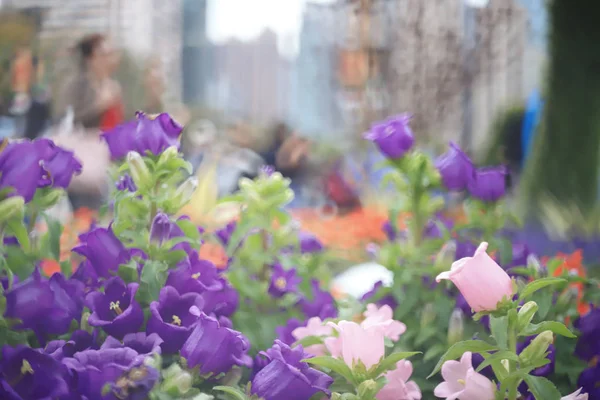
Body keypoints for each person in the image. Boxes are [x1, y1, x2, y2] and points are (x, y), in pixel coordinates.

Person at [54, 33, 123, 130]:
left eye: (111, 54)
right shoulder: (75, 86)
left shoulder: (113, 86)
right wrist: (99, 107)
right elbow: (64, 121)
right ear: (90, 59)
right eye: (103, 55)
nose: (109, 60)